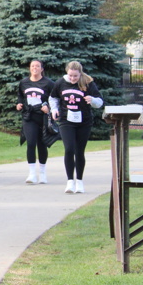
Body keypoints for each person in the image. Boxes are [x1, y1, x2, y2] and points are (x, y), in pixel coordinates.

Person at [49, 61, 104, 194]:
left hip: (84, 121)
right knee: (69, 149)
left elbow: (100, 102)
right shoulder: (60, 83)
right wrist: (54, 110)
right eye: (71, 76)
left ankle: (79, 181)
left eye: (75, 76)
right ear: (67, 73)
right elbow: (53, 98)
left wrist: (92, 100)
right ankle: (70, 181)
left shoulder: (88, 83)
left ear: (80, 74)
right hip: (66, 120)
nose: (73, 78)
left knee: (79, 151)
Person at [16, 60, 53, 184]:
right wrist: (19, 104)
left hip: (42, 117)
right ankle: (32, 174)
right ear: (29, 68)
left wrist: (48, 107)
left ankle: (42, 173)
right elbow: (20, 96)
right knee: (31, 143)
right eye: (32, 66)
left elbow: (54, 99)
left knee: (42, 144)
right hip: (29, 117)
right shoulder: (24, 83)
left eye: (37, 66)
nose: (35, 68)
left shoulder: (48, 83)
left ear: (42, 69)